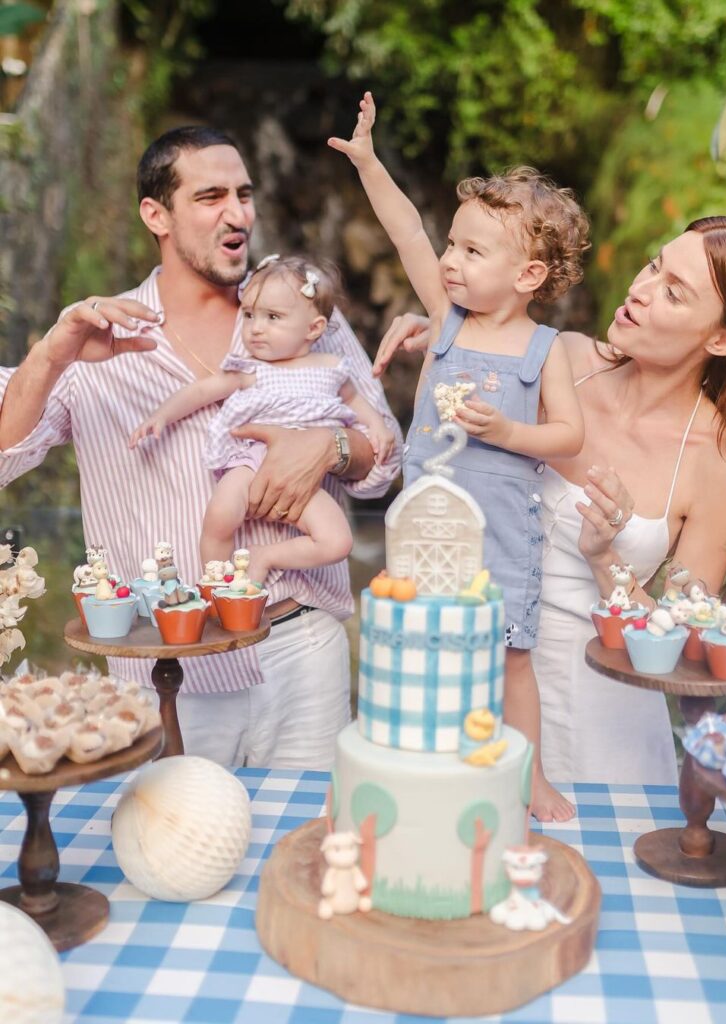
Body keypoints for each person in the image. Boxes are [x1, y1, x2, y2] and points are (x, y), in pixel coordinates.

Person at [0, 125, 402, 769]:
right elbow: (4, 455)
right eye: (211, 196)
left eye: (244, 194)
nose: (238, 213)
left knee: (307, 857)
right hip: (164, 665)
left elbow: (385, 461)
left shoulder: (301, 311)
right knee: (174, 861)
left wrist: (328, 446)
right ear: (156, 214)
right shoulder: (93, 337)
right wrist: (52, 353)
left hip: (299, 650)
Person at [374, 216, 726, 785]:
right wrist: (449, 329)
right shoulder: (565, 359)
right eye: (654, 265)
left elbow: (679, 645)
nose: (640, 288)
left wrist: (607, 561)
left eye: (673, 293)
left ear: (724, 339)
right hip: (476, 663)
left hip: (599, 709)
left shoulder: (717, 462)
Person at [330, 93, 587, 821]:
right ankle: (421, 752)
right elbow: (404, 229)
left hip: (505, 529)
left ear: (530, 276)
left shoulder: (544, 350)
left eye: (472, 252)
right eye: (453, 245)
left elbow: (568, 436)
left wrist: (508, 432)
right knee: (418, 641)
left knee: (511, 661)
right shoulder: (445, 322)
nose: (448, 261)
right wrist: (370, 163)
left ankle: (529, 777)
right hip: (423, 527)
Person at [130, 253, 395, 583]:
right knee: (219, 516)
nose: (256, 328)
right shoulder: (252, 370)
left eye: (272, 317)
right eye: (249, 315)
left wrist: (378, 427)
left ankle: (266, 556)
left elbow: (355, 400)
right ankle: (215, 584)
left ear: (314, 328)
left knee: (337, 541)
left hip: (304, 475)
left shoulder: (331, 367)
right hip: (250, 461)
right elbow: (202, 392)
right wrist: (162, 415)